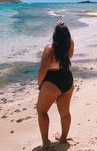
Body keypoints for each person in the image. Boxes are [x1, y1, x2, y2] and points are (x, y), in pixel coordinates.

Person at [37, 20, 74, 149]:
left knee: (41, 112)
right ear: (67, 35)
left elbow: (42, 70)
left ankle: (46, 142)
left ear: (54, 35)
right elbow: (69, 56)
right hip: (67, 79)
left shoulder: (49, 49)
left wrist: (40, 84)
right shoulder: (70, 44)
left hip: (53, 81)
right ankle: (63, 138)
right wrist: (62, 27)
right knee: (65, 112)